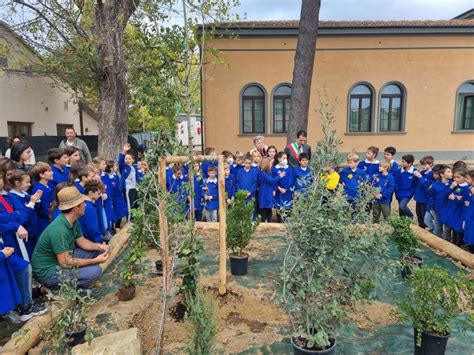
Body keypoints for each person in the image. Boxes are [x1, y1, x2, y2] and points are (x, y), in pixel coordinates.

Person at [32, 186, 110, 290]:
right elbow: (65, 263)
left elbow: (82, 241)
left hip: (62, 258)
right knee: (95, 272)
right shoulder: (59, 230)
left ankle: (80, 275)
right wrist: (94, 261)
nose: (85, 205)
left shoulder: (72, 220)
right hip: (48, 272)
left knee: (98, 252)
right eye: (83, 203)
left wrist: (100, 247)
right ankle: (51, 287)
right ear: (76, 208)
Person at [441, 168, 470, 246]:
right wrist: (451, 188)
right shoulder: (454, 185)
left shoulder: (467, 189)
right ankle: (454, 244)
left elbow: (465, 202)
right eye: (454, 177)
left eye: (458, 177)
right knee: (453, 228)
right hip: (452, 211)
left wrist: (455, 199)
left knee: (458, 229)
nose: (455, 179)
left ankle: (458, 245)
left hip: (460, 212)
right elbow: (445, 195)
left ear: (465, 177)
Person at [30, 162, 55, 237]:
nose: (52, 172)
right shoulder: (38, 189)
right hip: (46, 222)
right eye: (49, 171)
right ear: (41, 175)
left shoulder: (50, 184)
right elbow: (44, 210)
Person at [430, 165, 453, 238]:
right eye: (448, 172)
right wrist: (431, 207)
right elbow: (432, 197)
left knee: (447, 228)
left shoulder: (453, 184)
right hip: (438, 209)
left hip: (449, 209)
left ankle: (447, 240)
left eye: (451, 171)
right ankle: (437, 240)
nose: (451, 173)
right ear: (442, 174)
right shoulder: (436, 185)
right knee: (438, 226)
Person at [79, 179, 105, 244]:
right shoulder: (89, 208)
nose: (100, 195)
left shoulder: (84, 203)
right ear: (90, 193)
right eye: (98, 193)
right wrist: (99, 241)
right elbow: (92, 229)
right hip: (90, 241)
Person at [413, 156, 434, 229]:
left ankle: (426, 228)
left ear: (430, 164)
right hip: (419, 197)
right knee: (418, 214)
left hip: (425, 198)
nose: (423, 166)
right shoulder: (422, 172)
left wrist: (420, 177)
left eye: (425, 164)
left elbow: (427, 185)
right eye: (422, 164)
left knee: (424, 215)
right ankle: (421, 227)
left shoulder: (432, 174)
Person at [395, 154, 418, 219]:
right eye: (402, 161)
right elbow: (396, 182)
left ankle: (410, 215)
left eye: (403, 162)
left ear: (410, 163)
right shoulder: (399, 172)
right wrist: (397, 190)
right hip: (399, 193)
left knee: (402, 206)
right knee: (401, 209)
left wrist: (411, 192)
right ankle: (402, 222)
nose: (401, 163)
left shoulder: (415, 172)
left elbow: (416, 184)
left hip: (408, 194)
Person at [272, 152, 294, 222]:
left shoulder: (289, 168)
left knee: (287, 208)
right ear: (279, 159)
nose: (285, 160)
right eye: (283, 158)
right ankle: (279, 222)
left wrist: (286, 188)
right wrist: (279, 188)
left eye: (286, 158)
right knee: (279, 208)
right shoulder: (274, 169)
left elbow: (291, 179)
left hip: (287, 192)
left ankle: (287, 224)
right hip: (279, 192)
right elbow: (273, 180)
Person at [462, 170, 474, 253]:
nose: (465, 180)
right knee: (469, 234)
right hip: (469, 215)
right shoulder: (469, 188)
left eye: (467, 178)